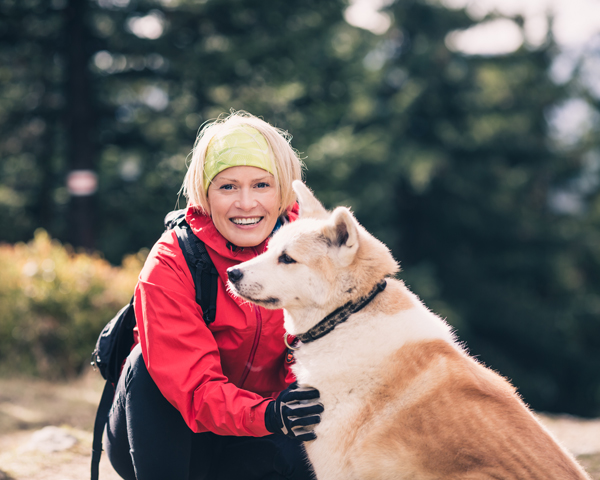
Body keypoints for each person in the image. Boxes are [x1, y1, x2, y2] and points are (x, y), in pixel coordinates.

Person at [105, 112, 323, 480]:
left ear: (285, 188)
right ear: (204, 193)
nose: (246, 203)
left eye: (261, 185)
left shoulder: (313, 250)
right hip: (169, 441)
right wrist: (268, 414)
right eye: (227, 187)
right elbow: (191, 386)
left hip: (259, 435)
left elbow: (317, 356)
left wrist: (289, 406)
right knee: (146, 366)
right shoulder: (173, 260)